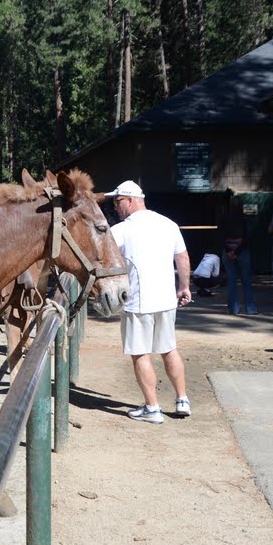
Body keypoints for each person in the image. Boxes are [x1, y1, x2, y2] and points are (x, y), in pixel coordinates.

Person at [108, 180, 192, 424]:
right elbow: (182, 257)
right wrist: (184, 286)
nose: (116, 207)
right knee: (169, 349)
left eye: (118, 201)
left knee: (139, 353)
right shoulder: (168, 224)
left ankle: (152, 408)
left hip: (138, 301)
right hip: (166, 299)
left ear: (131, 200)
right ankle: (182, 399)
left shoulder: (121, 230)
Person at [220, 195, 257, 315]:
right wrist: (237, 251)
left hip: (227, 251)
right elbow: (248, 237)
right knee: (246, 280)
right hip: (242, 251)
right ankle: (250, 308)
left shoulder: (224, 218)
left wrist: (228, 250)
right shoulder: (245, 218)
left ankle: (233, 308)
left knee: (231, 280)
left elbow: (219, 236)